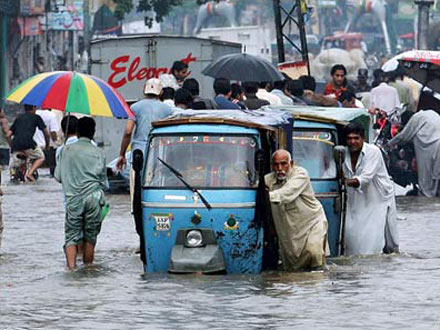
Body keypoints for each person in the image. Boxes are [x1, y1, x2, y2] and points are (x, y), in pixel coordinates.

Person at [55, 117, 108, 270]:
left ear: (77, 132)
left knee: (71, 237)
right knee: (90, 237)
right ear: (93, 133)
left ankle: (71, 271)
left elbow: (58, 177)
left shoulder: (66, 150)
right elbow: (103, 181)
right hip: (94, 198)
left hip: (73, 199)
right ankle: (88, 269)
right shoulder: (99, 152)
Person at [265, 150, 328, 271]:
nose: (280, 168)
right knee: (292, 267)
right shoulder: (269, 180)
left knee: (314, 253)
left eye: (284, 164)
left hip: (312, 223)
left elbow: (287, 193)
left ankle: (319, 284)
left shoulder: (301, 174)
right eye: (276, 165)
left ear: (291, 163)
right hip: (291, 230)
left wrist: (265, 197)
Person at [343, 123, 399, 256]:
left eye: (356, 138)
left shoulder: (373, 152)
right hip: (355, 198)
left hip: (377, 197)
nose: (353, 142)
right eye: (349, 138)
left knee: (377, 236)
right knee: (352, 232)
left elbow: (365, 178)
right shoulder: (343, 153)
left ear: (363, 138)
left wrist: (342, 182)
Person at [116, 78, 172, 171]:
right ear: (161, 92)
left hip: (139, 152)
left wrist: (122, 154)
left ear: (144, 90)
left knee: (137, 179)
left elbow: (128, 131)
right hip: (159, 151)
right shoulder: (167, 109)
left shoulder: (135, 107)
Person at [387, 109, 440, 197]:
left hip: (432, 146)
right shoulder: (431, 113)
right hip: (436, 143)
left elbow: (404, 136)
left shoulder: (416, 118)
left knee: (425, 177)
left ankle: (426, 197)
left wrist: (389, 143)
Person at [7, 105, 50, 182]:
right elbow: (47, 134)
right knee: (41, 157)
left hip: (16, 145)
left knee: (15, 174)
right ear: (33, 108)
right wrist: (47, 146)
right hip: (29, 143)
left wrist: (12, 146)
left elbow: (8, 135)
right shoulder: (36, 117)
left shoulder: (18, 118)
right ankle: (30, 173)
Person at [34, 109, 59, 176]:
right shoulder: (51, 115)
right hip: (47, 148)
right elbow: (53, 132)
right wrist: (56, 142)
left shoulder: (35, 113)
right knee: (52, 173)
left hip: (34, 147)